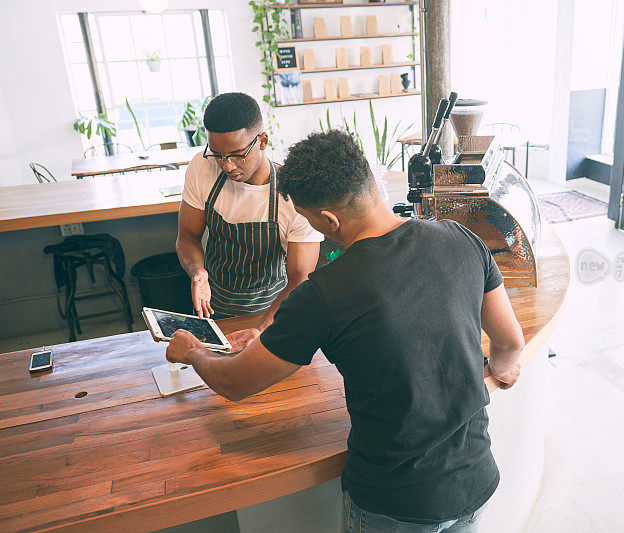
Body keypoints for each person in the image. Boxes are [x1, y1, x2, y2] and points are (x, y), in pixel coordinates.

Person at [166, 130, 525, 532]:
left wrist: (193, 351)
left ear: (329, 221)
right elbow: (510, 342)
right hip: (475, 479)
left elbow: (234, 382)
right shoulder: (461, 237)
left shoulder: (323, 294)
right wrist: (502, 368)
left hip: (394, 501)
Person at [176, 92, 322, 333]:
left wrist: (261, 329)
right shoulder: (202, 167)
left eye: (237, 154)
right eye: (218, 155)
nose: (227, 166)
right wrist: (198, 272)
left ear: (262, 141)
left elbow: (299, 280)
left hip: (272, 313)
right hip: (213, 308)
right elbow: (187, 236)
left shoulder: (293, 195)